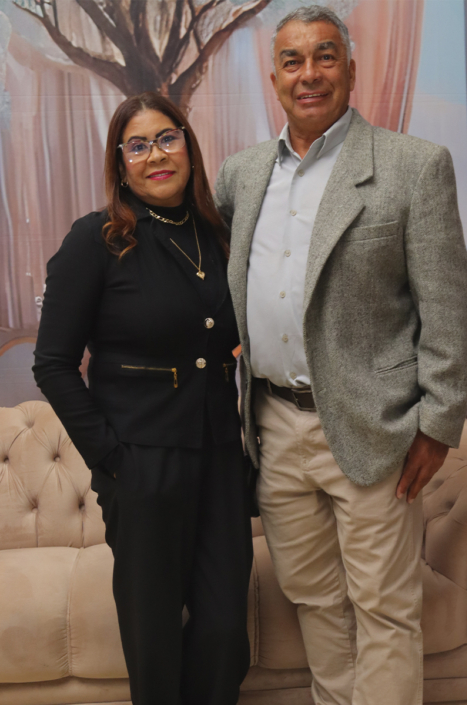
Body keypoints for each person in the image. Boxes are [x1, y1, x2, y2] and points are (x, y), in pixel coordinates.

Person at [215, 6, 467, 705]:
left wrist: (437, 423)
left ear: (351, 70)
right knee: (314, 600)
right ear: (274, 78)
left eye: (325, 56)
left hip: (373, 424)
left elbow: (449, 306)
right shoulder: (241, 175)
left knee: (383, 607)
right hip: (273, 425)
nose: (309, 74)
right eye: (293, 61)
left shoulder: (413, 166)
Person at [33, 92, 253, 705]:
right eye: (137, 146)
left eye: (167, 138)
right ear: (120, 163)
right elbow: (52, 364)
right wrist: (113, 460)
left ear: (189, 147)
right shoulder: (96, 240)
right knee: (154, 638)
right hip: (142, 463)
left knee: (224, 632)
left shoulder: (219, 235)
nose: (156, 155)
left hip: (220, 461)